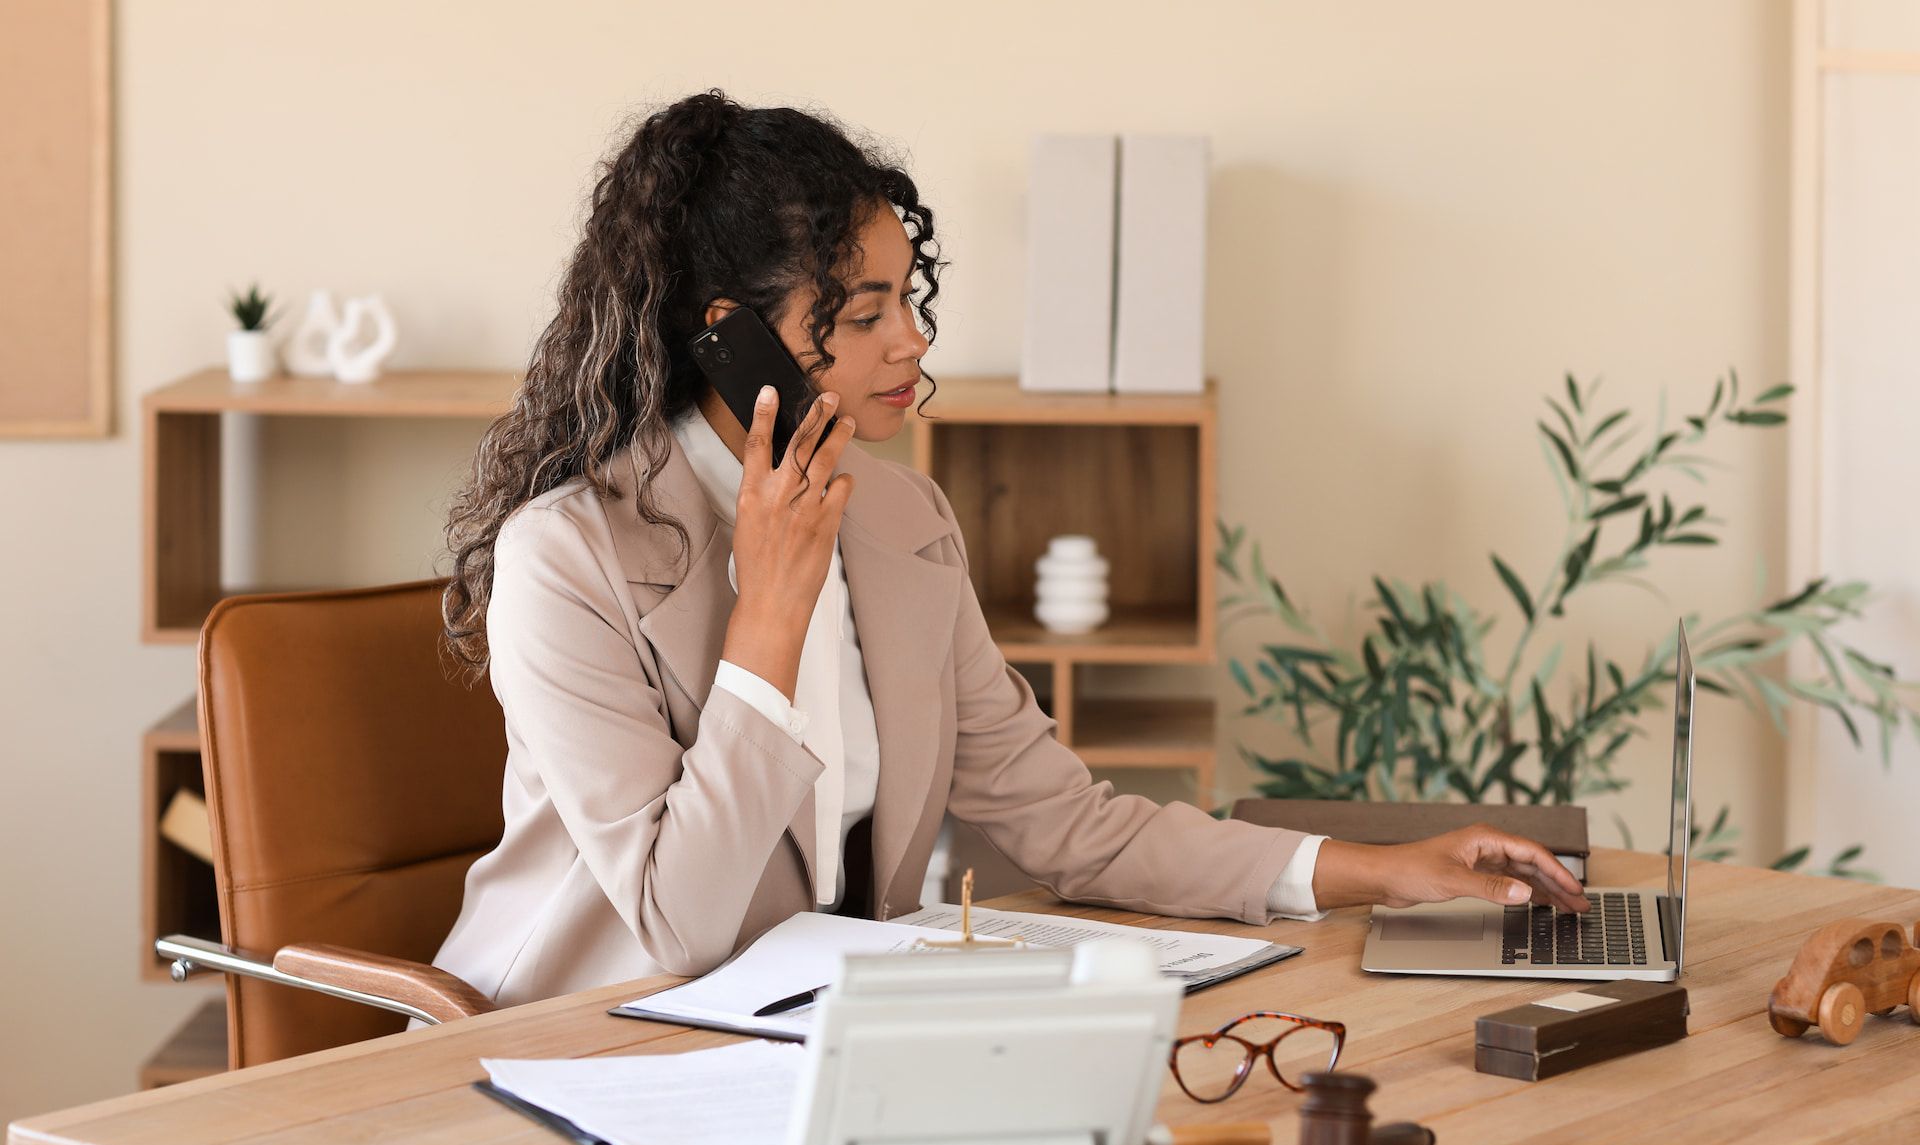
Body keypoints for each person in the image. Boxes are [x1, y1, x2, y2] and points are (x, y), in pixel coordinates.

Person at [431, 88, 1587, 1009]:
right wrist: (769, 617)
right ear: (735, 343)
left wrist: (1377, 869)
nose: (914, 338)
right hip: (574, 1047)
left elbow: (1070, 826)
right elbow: (678, 921)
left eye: (909, 299)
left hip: (791, 1040)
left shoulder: (901, 524)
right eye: (866, 311)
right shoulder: (567, 559)